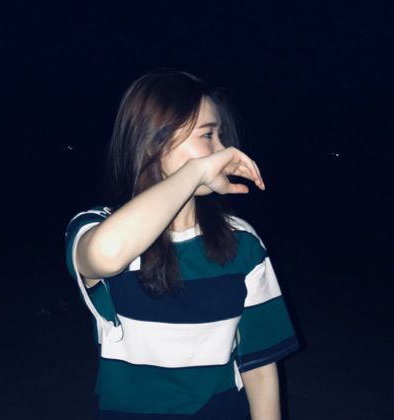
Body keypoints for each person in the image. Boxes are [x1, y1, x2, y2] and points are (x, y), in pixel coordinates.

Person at [65, 70, 299, 419]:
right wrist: (195, 173)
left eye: (220, 135)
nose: (222, 151)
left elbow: (260, 368)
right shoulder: (98, 226)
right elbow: (107, 256)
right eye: (208, 135)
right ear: (154, 142)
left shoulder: (242, 241)